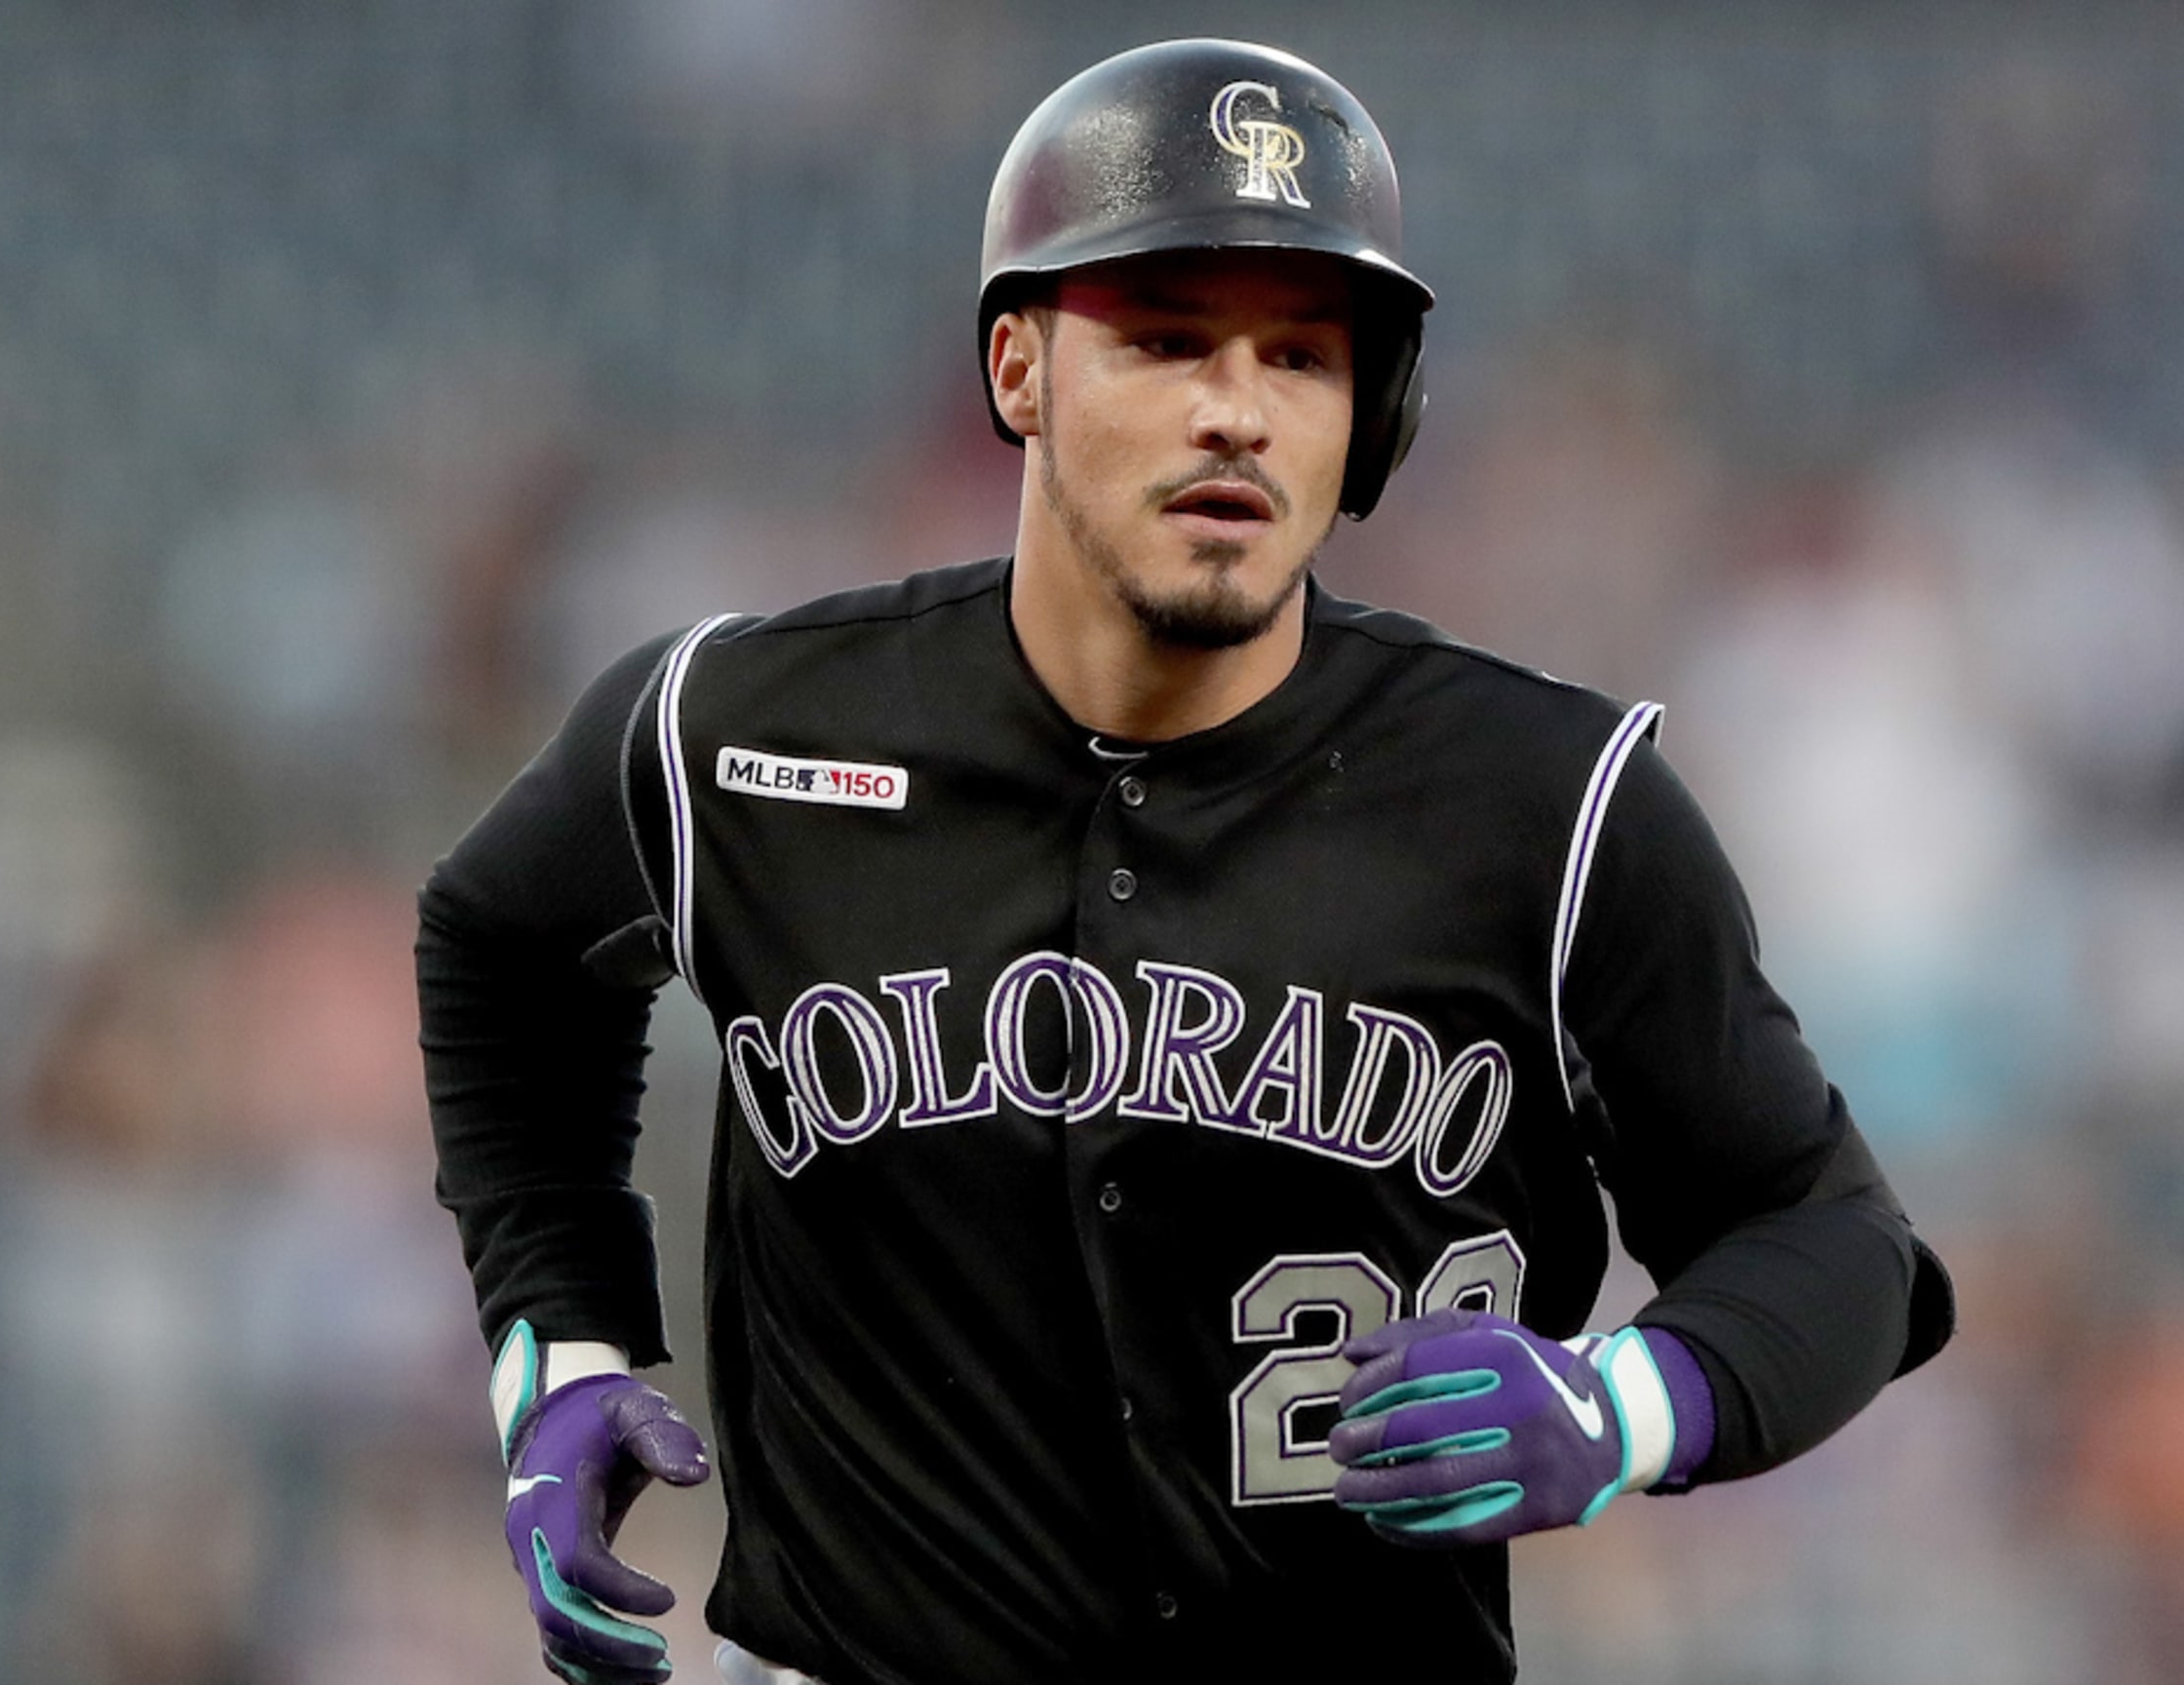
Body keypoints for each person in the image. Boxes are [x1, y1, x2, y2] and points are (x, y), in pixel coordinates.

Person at [418, 37, 1954, 1685]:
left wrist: (1628, 1405)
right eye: (1163, 340)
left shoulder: (1551, 807)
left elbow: (1839, 1245)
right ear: (1018, 369)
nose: (1237, 409)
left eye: (1300, 356)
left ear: (1375, 414)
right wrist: (557, 1350)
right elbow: (497, 945)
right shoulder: (738, 730)